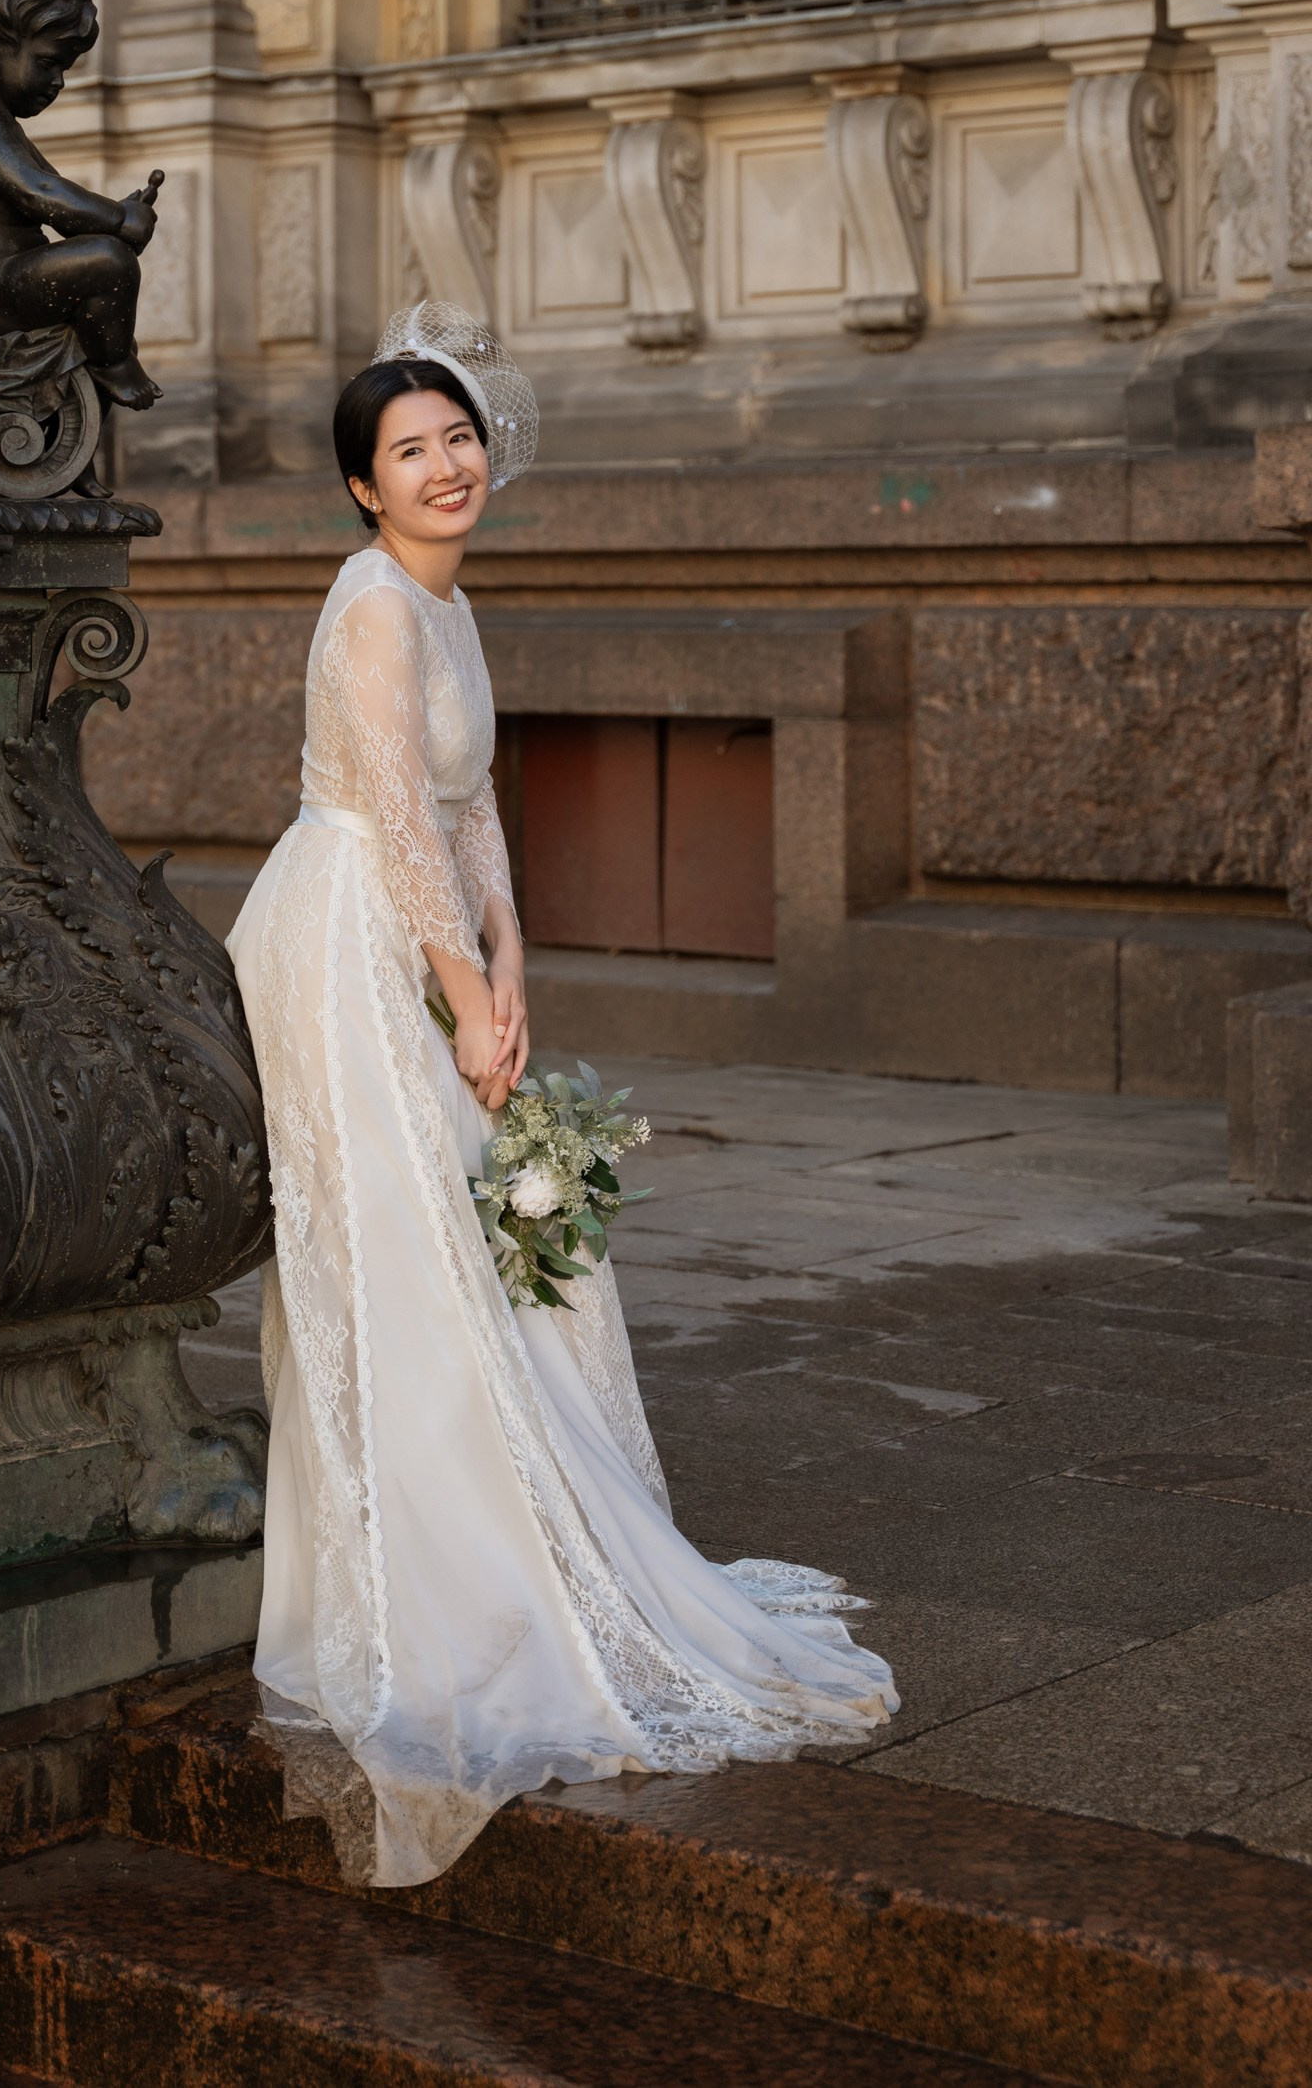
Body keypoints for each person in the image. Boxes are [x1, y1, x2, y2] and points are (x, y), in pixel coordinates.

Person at [226, 297, 898, 1887]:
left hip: (428, 933)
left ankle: (525, 1543)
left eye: (458, 438)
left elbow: (465, 815)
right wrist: (462, 998)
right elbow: (389, 818)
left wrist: (511, 955)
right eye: (411, 451)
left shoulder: (448, 604)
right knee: (411, 1260)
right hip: (345, 948)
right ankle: (438, 1585)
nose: (446, 465)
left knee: (494, 1253)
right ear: (360, 489)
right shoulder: (376, 605)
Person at [0, 0, 162, 411]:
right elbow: (39, 193)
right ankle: (111, 365)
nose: (56, 81)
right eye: (47, 63)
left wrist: (113, 217)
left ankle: (84, 405)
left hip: (10, 279)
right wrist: (117, 221)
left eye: (65, 69)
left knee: (103, 263)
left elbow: (51, 193)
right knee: (108, 262)